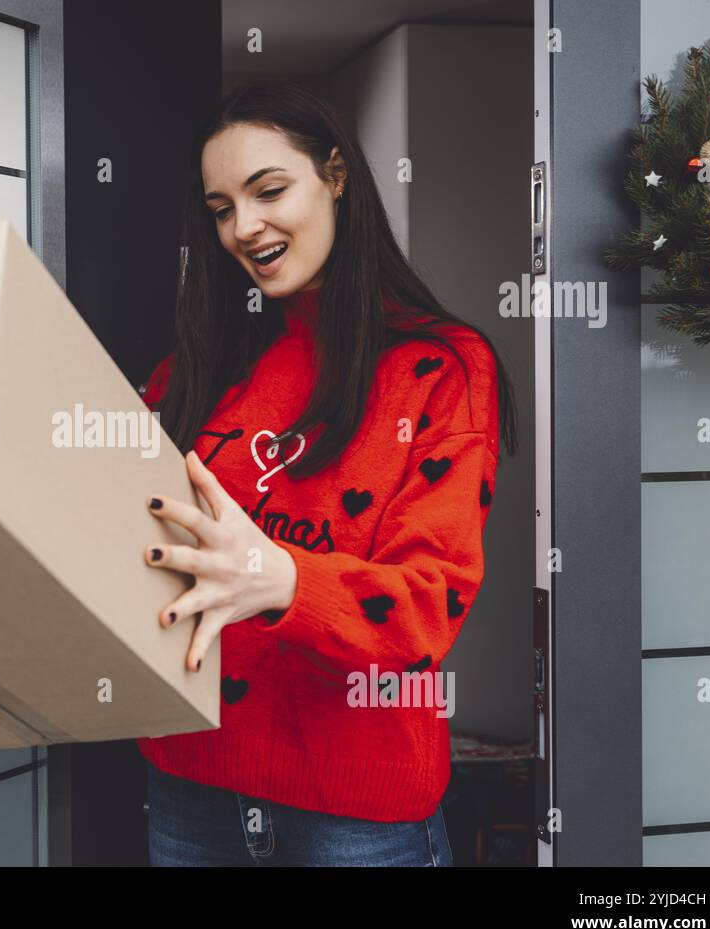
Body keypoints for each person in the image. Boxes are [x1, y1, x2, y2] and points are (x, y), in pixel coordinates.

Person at [137, 79, 519, 867]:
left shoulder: (440, 368)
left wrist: (280, 578)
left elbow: (427, 608)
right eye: (219, 209)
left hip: (359, 817)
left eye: (268, 189)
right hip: (188, 785)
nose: (244, 227)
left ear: (337, 175)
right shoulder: (187, 376)